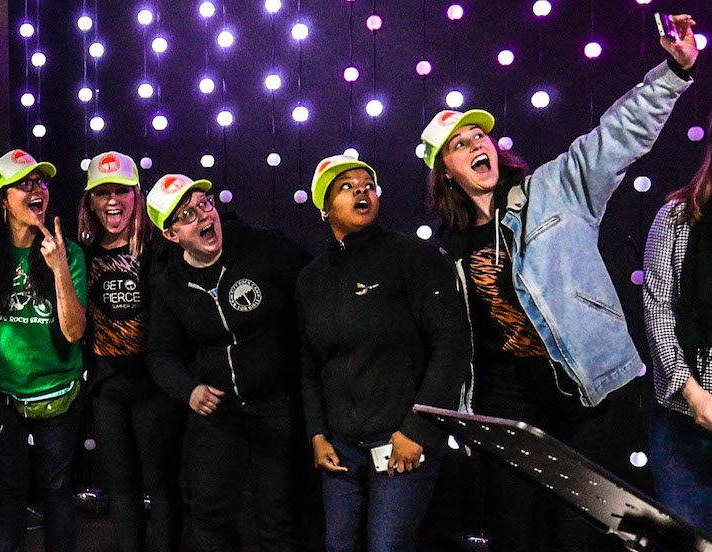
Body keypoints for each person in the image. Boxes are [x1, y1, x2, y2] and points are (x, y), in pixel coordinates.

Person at [420, 15, 698, 552]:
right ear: (446, 172)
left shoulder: (554, 189)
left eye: (480, 134)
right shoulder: (448, 254)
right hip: (510, 410)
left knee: (583, 534)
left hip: (590, 392)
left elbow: (616, 136)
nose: (478, 143)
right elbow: (466, 344)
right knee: (518, 534)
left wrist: (673, 72)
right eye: (460, 143)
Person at [295, 154, 470, 551]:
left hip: (401, 444)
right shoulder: (311, 279)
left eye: (367, 185)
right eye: (346, 186)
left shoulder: (413, 256)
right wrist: (317, 435)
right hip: (340, 449)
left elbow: (452, 344)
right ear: (325, 209)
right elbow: (309, 366)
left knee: (387, 546)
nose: (361, 190)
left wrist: (418, 429)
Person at [145, 174, 309, 551]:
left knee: (277, 516)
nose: (204, 217)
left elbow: (314, 284)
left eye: (205, 204)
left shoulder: (262, 246)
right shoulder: (170, 284)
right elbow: (161, 354)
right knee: (209, 515)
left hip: (276, 405)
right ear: (172, 235)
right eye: (188, 214)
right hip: (220, 413)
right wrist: (189, 389)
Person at [0, 149, 86, 552]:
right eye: (24, 183)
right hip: (0, 394)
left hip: (58, 395)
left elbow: (75, 331)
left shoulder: (70, 253)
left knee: (59, 492)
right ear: (2, 199)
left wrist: (60, 267)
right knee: (9, 493)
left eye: (40, 182)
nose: (37, 189)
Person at [76, 151, 183, 551]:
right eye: (102, 193)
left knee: (162, 485)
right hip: (107, 388)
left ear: (137, 195)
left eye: (121, 191)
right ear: (90, 201)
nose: (112, 201)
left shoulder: (159, 249)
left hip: (155, 387)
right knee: (120, 488)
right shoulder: (82, 256)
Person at [643, 110, 712, 535]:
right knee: (686, 539)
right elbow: (657, 310)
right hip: (682, 416)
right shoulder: (676, 217)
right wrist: (695, 395)